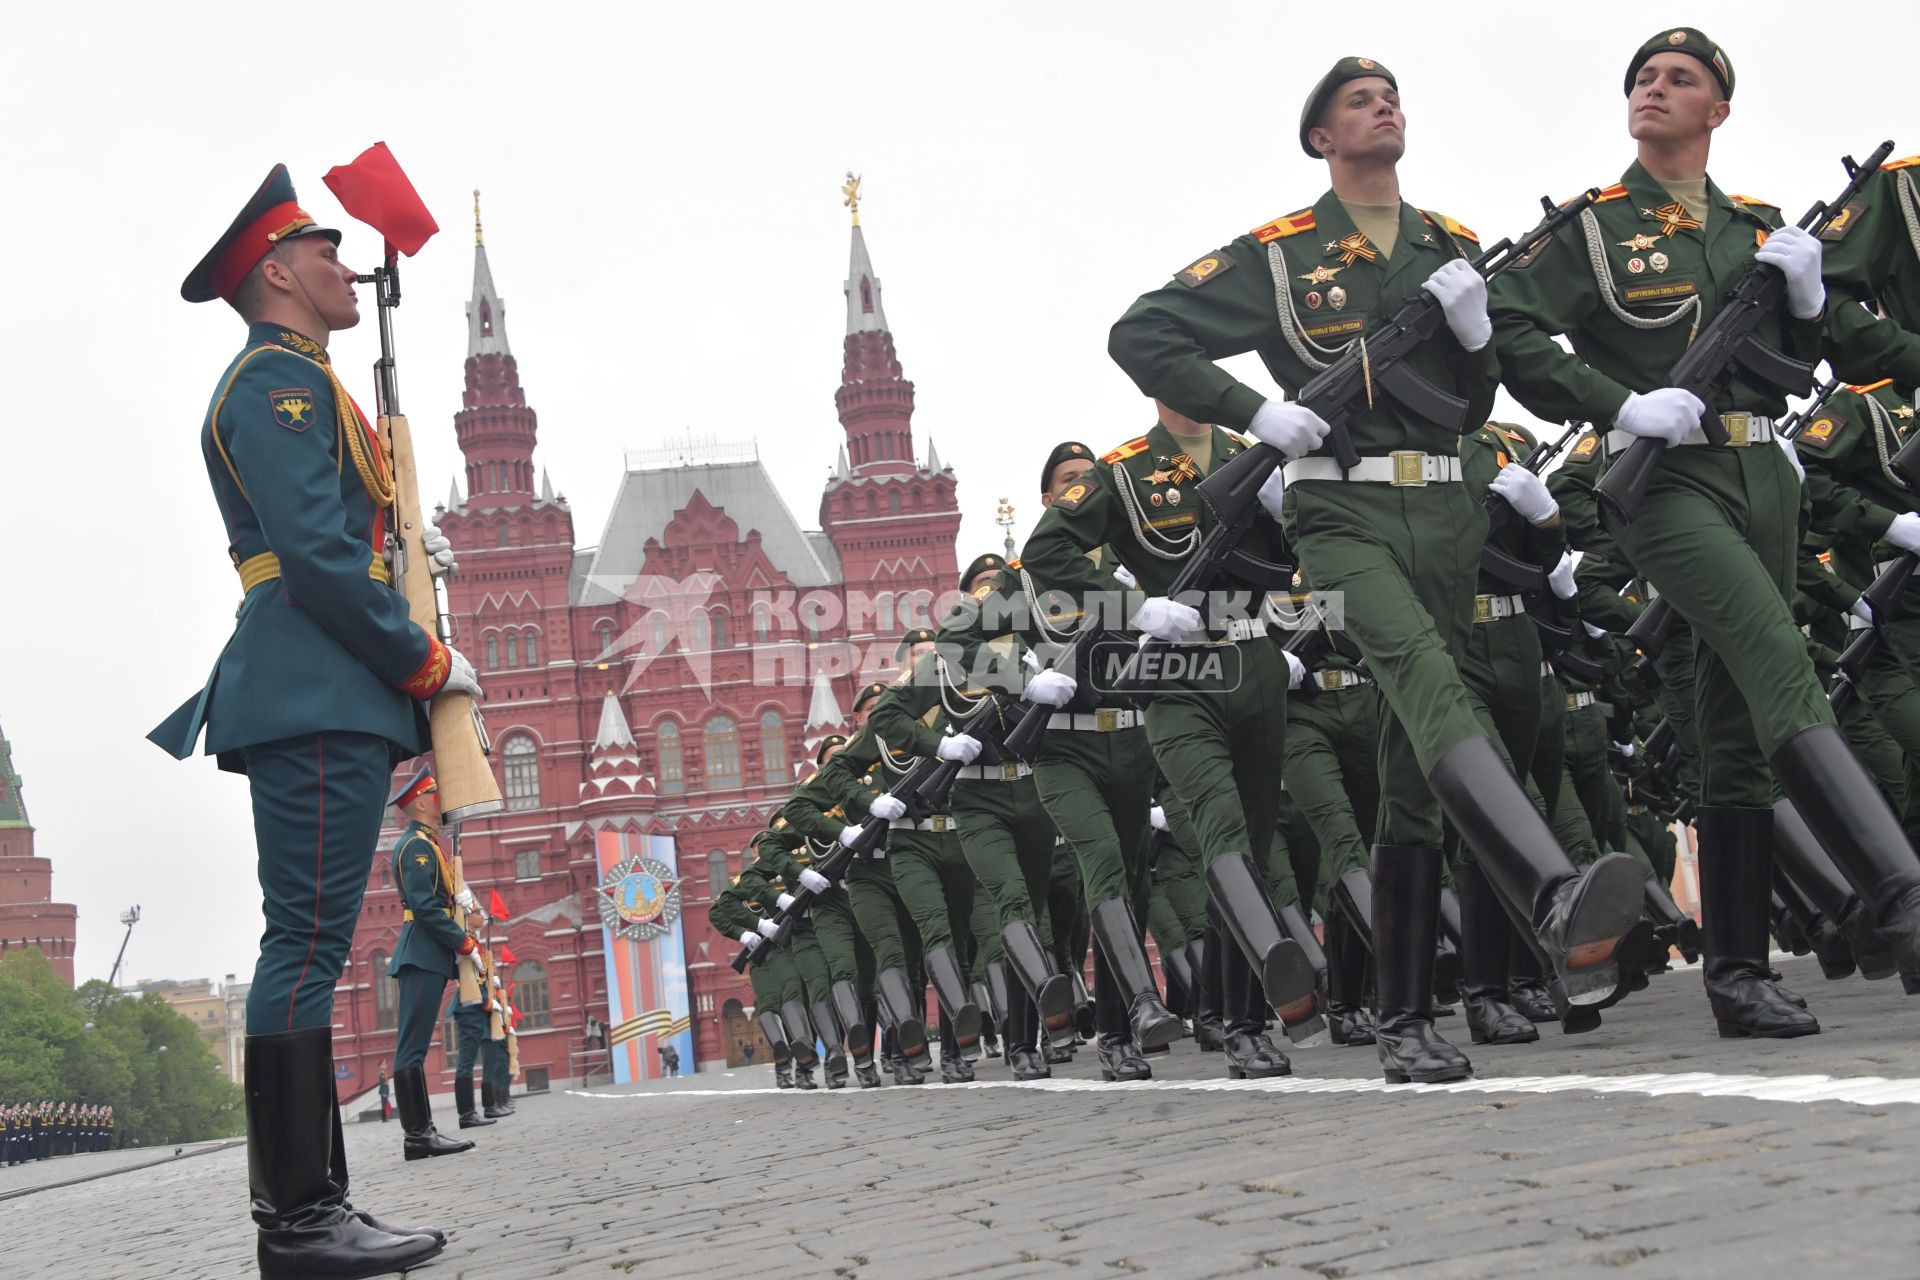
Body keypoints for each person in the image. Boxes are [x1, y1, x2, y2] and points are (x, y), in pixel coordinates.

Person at [1105, 59, 1644, 1082]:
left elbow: (1474, 401)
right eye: (1357, 101)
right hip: (1340, 505)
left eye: (1391, 95)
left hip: (1446, 500)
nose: (1381, 106)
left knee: (1409, 767)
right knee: (1425, 673)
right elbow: (1143, 330)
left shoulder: (1451, 246)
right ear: (1320, 137)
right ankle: (1549, 887)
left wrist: (1478, 331)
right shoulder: (1280, 256)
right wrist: (1253, 410)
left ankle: (1404, 1019)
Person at [1490, 28, 1920, 1037]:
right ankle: (1901, 890)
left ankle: (1735, 974)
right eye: (1644, 77)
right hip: (1665, 485)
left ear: (1718, 110)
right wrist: (1614, 402)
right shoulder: (1595, 230)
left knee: (1736, 733)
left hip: (1763, 469)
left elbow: (1860, 344)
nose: (1656, 87)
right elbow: (1507, 326)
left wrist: (1811, 298)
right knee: (1777, 655)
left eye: (1681, 79)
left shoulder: (1762, 229)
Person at [147, 164, 470, 1277]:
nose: (347, 266)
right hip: (315, 676)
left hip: (322, 682)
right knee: (306, 944)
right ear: (278, 271)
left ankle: (318, 1205)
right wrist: (420, 653)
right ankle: (297, 1222)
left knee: (314, 943)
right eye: (326, 251)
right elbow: (323, 557)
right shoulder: (272, 384)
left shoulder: (305, 377)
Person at [385, 769, 477, 1160]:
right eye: (435, 794)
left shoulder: (425, 843)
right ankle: (419, 1135)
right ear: (420, 803)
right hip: (422, 953)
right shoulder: (417, 847)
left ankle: (421, 1134)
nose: (441, 800)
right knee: (412, 1049)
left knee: (415, 1047)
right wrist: (463, 941)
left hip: (426, 953)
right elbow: (424, 907)